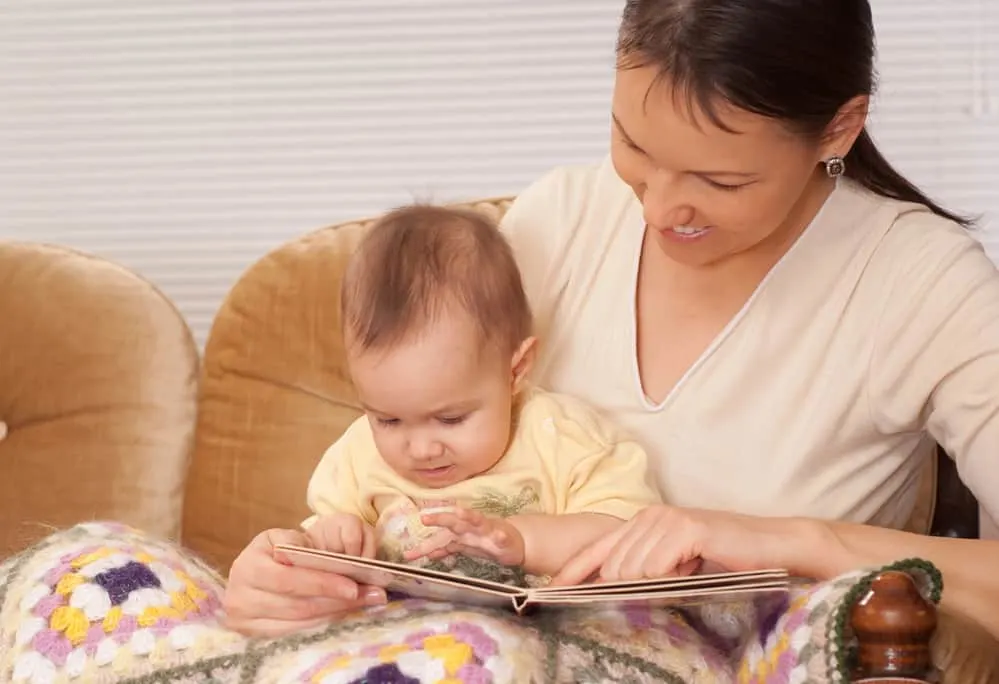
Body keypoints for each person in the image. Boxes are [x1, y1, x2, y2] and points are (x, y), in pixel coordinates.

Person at [223, 0, 999, 642]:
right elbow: (394, 475)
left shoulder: (917, 282)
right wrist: (288, 575)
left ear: (836, 129)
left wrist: (789, 541)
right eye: (632, 145)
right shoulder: (553, 223)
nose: (658, 209)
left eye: (717, 179)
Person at [249, 204, 661, 599]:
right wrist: (333, 538)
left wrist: (523, 541)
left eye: (450, 419)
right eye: (388, 420)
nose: (421, 449)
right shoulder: (355, 457)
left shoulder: (565, 438)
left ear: (515, 371)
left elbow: (625, 532)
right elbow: (318, 546)